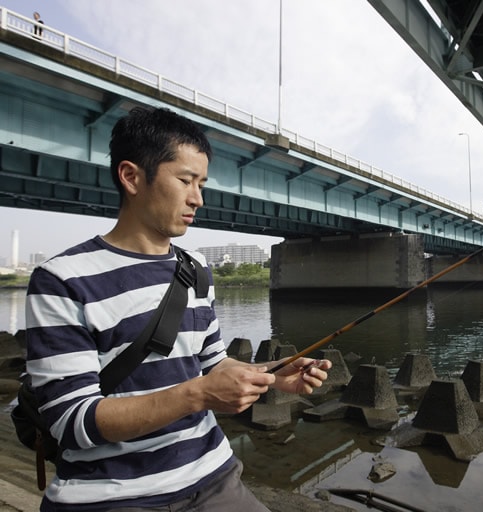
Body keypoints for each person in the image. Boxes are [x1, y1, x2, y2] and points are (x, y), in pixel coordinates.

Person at [24, 106, 331, 511]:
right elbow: (73, 421)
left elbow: (212, 366)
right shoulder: (61, 279)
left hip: (215, 477)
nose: (198, 199)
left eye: (201, 183)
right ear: (131, 176)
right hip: (109, 497)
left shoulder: (195, 268)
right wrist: (198, 395)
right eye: (185, 180)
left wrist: (272, 376)